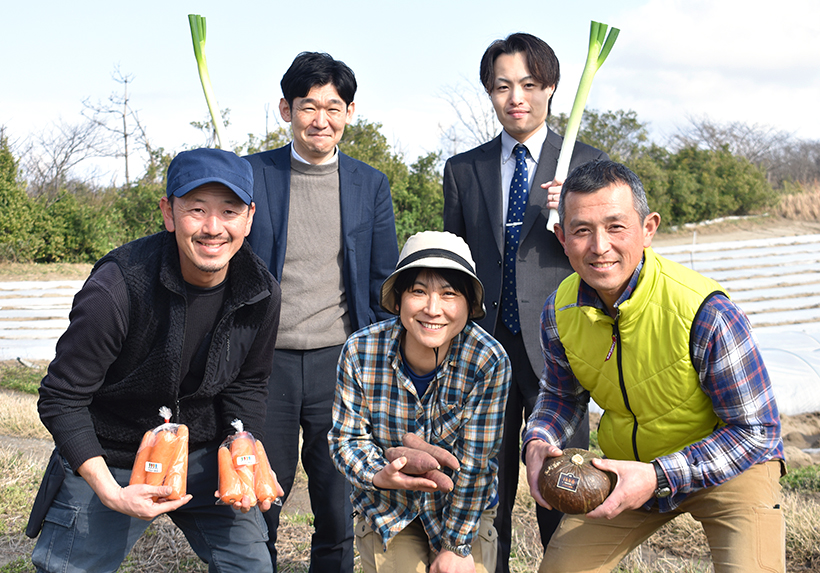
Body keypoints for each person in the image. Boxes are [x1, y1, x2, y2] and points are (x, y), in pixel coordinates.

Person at [523, 160, 786, 573]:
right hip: (625, 471)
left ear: (648, 229)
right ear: (562, 238)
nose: (599, 246)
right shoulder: (559, 310)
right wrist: (538, 438)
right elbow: (561, 395)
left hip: (728, 466)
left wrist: (659, 474)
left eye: (615, 227)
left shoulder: (705, 311)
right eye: (581, 230)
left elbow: (757, 432)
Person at [28, 148, 283, 573]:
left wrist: (242, 443)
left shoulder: (261, 290)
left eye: (230, 211)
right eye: (196, 210)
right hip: (115, 456)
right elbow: (61, 398)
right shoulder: (117, 286)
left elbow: (248, 383)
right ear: (168, 213)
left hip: (205, 452)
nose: (213, 228)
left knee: (254, 566)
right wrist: (110, 492)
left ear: (249, 218)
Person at [442, 32, 608, 571]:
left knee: (562, 481)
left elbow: (609, 258)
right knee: (487, 483)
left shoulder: (587, 164)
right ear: (490, 94)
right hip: (485, 348)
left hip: (561, 346)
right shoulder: (463, 169)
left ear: (551, 88)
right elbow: (456, 267)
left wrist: (576, 218)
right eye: (502, 86)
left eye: (529, 84)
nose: (516, 97)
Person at [245, 51, 399, 572]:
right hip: (267, 362)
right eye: (308, 107)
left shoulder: (370, 185)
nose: (321, 119)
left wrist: (379, 365)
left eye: (333, 107)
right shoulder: (251, 175)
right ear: (285, 110)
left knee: (337, 502)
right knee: (263, 493)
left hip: (341, 361)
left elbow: (382, 282)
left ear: (350, 112)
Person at [328, 230, 511, 573]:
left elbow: (476, 464)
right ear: (397, 300)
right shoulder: (360, 351)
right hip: (389, 506)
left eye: (449, 294)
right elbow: (345, 439)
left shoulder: (488, 360)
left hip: (463, 508)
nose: (432, 309)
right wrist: (380, 474)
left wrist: (455, 546)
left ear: (469, 305)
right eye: (418, 291)